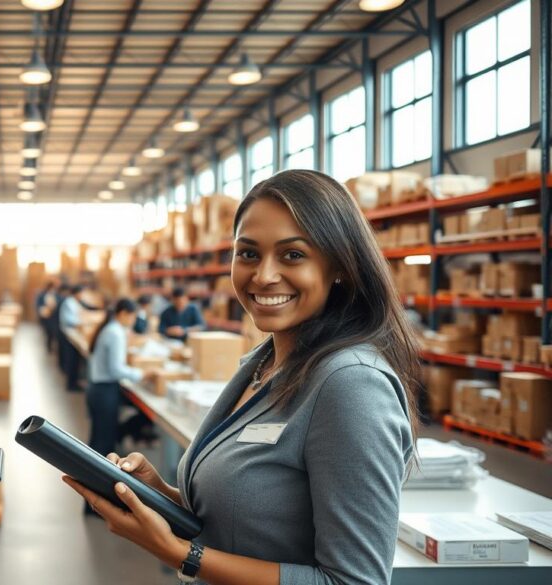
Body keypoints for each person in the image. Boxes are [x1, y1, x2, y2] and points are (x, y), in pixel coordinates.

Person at [64, 170, 418, 585]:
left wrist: (180, 554)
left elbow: (355, 581)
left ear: (339, 265)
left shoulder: (350, 384)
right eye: (248, 254)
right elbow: (245, 522)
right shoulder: (262, 364)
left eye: (293, 255)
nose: (264, 275)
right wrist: (157, 493)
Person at [85, 299, 155, 477]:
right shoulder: (115, 333)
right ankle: (97, 487)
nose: (133, 322)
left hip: (97, 390)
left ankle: (91, 485)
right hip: (104, 392)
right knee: (104, 446)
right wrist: (141, 374)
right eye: (132, 317)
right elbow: (116, 369)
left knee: (98, 443)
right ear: (123, 314)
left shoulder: (110, 329)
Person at [58, 285, 88, 392]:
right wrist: (82, 323)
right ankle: (71, 385)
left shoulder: (74, 303)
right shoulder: (69, 303)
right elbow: (69, 320)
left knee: (75, 361)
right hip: (69, 334)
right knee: (72, 361)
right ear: (77, 293)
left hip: (72, 334)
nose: (82, 296)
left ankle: (75, 382)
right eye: (81, 293)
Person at [35, 281, 57, 353]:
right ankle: (48, 346)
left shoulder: (55, 295)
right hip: (45, 316)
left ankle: (50, 345)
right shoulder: (42, 295)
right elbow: (38, 305)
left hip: (52, 317)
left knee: (51, 332)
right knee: (47, 331)